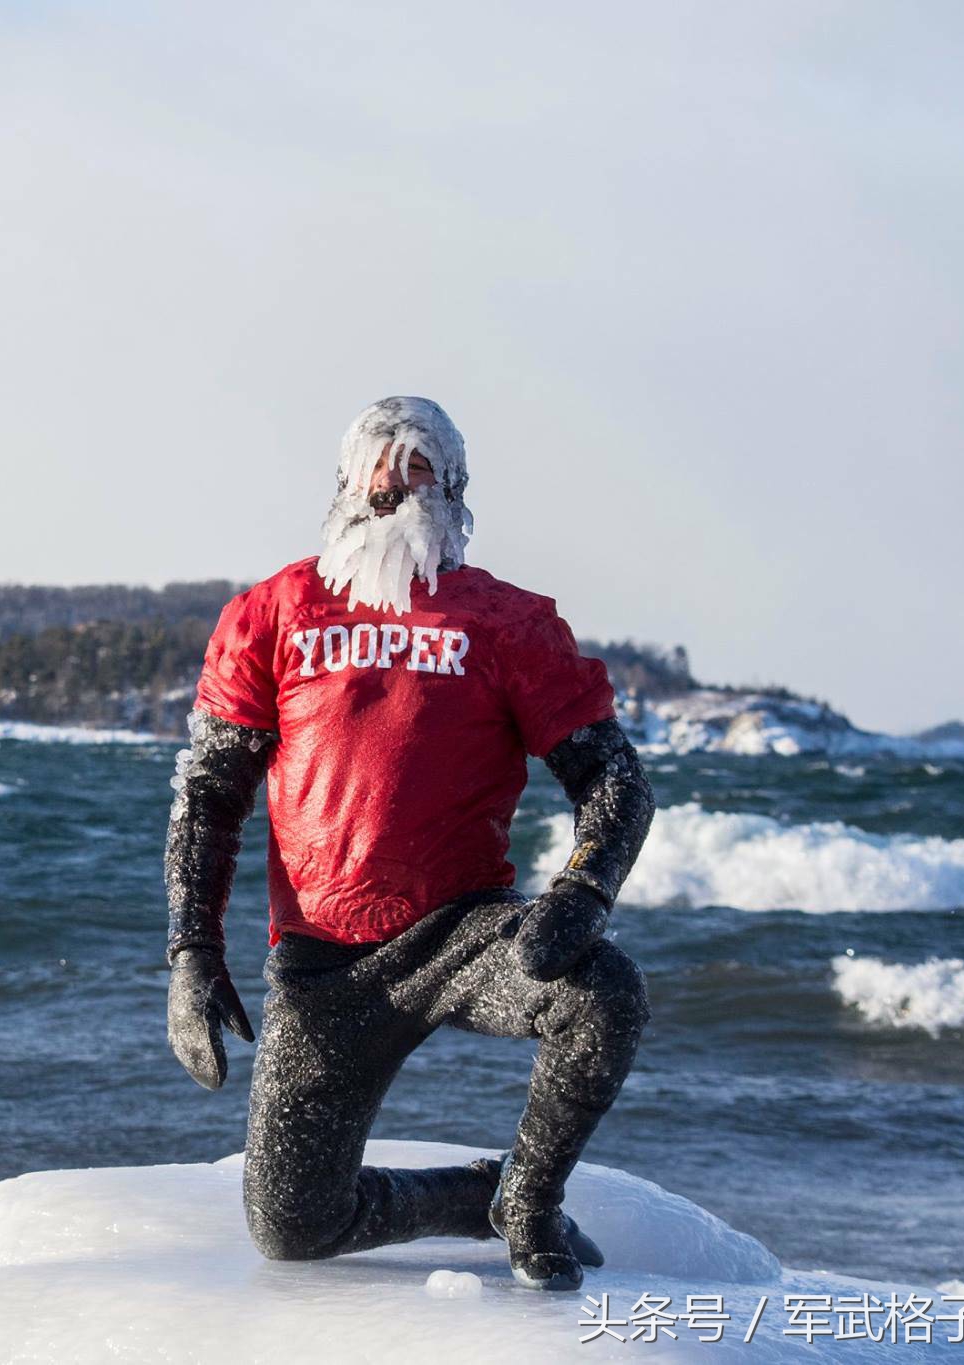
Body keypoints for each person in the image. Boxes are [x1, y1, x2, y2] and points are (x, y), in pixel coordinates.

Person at [163, 395, 656, 1292]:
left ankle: (529, 1200)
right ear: (346, 485)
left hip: (462, 936)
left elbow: (617, 782)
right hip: (324, 965)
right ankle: (476, 1198)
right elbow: (208, 794)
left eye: (421, 463)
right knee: (292, 1226)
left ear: (456, 488)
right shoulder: (274, 610)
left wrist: (582, 891)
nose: (397, 479)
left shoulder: (509, 622)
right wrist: (193, 953)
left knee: (605, 991)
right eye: (378, 463)